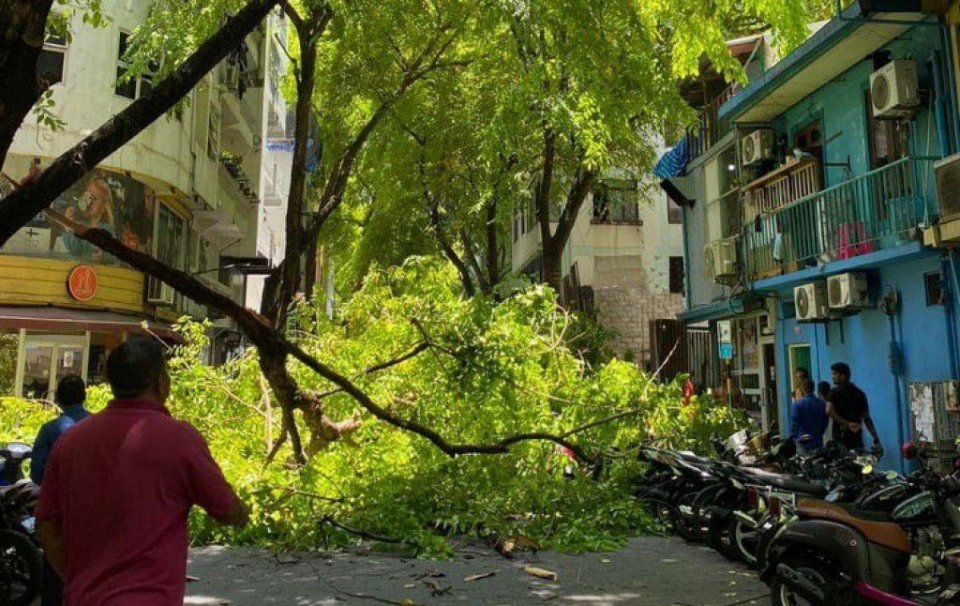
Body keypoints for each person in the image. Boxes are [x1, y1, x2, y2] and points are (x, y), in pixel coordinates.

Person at [35, 339, 248, 606]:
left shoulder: (71, 442)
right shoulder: (180, 439)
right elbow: (228, 510)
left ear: (108, 381)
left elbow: (47, 525)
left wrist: (76, 579)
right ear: (161, 383)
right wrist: (243, 512)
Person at [31, 375, 89, 606]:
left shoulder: (50, 430)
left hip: (60, 514)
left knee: (56, 580)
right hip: (97, 513)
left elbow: (37, 473)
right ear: (84, 396)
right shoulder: (100, 427)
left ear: (58, 399)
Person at [827, 362, 881, 452]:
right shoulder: (860, 393)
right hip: (856, 437)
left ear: (843, 376)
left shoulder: (834, 392)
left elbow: (829, 411)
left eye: (834, 374)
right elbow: (866, 418)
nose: (832, 377)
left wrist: (847, 423)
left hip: (840, 437)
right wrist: (875, 438)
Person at [789, 378, 828, 452]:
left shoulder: (797, 405)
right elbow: (825, 421)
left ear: (802, 388)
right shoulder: (822, 404)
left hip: (802, 439)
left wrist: (793, 436)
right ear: (813, 388)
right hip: (817, 439)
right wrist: (821, 431)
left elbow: (795, 423)